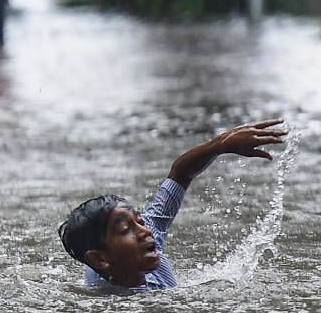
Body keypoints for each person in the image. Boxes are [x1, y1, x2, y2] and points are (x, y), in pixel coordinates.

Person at [59, 118, 287, 293]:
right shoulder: (100, 299)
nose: (145, 230)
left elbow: (180, 173)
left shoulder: (152, 235)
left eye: (139, 221)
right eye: (126, 230)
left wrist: (220, 145)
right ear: (100, 260)